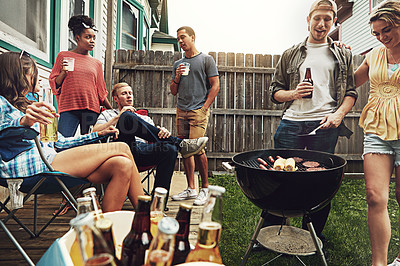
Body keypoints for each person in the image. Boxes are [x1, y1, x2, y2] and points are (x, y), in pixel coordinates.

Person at [0, 51, 143, 212]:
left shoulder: (32, 105)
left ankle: (106, 230)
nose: (39, 78)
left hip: (49, 161)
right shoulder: (2, 103)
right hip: (27, 169)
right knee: (122, 147)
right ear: (17, 76)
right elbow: (5, 128)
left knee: (122, 165)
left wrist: (97, 135)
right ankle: (148, 216)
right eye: (34, 74)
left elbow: (60, 142)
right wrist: (23, 123)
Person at [264, 0, 358, 245]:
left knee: (320, 180)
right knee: (279, 176)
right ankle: (273, 230)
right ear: (308, 20)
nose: (322, 23)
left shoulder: (343, 54)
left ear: (334, 21)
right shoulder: (290, 54)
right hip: (291, 124)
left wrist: (338, 116)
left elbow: (350, 92)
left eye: (328, 19)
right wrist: (294, 93)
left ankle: (313, 234)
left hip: (324, 125)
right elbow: (275, 92)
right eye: (317, 18)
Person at [92, 82, 209, 205]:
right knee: (127, 117)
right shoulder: (107, 114)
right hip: (119, 151)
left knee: (169, 149)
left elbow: (153, 137)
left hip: (140, 151)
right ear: (116, 99)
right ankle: (180, 143)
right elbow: (95, 131)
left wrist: (163, 133)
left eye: (130, 93)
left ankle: (158, 204)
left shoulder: (145, 118)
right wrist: (118, 117)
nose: (129, 96)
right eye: (124, 93)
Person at [354, 1, 400, 265]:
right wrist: (338, 55)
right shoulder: (374, 56)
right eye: (377, 33)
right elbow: (350, 81)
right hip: (376, 130)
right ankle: (378, 263)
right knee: (375, 196)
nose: (382, 37)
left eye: (387, 30)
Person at [170, 26, 220, 206]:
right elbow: (173, 91)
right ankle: (191, 188)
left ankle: (205, 189)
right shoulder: (178, 64)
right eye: (178, 39)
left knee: (197, 149)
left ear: (192, 37)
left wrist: (205, 107)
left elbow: (215, 85)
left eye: (183, 37)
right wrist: (176, 77)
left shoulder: (206, 60)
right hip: (181, 110)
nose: (181, 41)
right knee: (185, 149)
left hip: (198, 110)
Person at [49, 15, 112, 137]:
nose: (92, 40)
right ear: (77, 38)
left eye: (94, 37)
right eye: (88, 37)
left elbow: (101, 93)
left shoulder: (97, 64)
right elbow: (54, 84)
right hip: (69, 107)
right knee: (62, 143)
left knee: (90, 144)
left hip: (91, 110)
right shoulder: (63, 56)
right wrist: (63, 72)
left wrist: (112, 111)